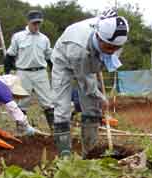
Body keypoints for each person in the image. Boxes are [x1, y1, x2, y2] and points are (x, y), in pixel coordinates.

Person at [51, 10, 129, 159]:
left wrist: (104, 58)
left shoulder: (114, 37)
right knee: (62, 109)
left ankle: (89, 154)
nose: (113, 51)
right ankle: (65, 157)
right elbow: (85, 80)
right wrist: (101, 97)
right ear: (98, 38)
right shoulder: (78, 50)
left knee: (93, 108)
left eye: (115, 48)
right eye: (109, 47)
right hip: (64, 61)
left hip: (90, 61)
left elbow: (102, 62)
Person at [4, 10, 54, 131]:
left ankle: (54, 129)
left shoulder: (44, 39)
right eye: (34, 23)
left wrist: (54, 72)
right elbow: (10, 55)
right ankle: (22, 131)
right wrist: (7, 73)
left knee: (48, 102)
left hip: (41, 72)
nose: (36, 26)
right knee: (22, 102)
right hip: (23, 72)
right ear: (28, 22)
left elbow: (49, 58)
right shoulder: (18, 37)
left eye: (38, 23)